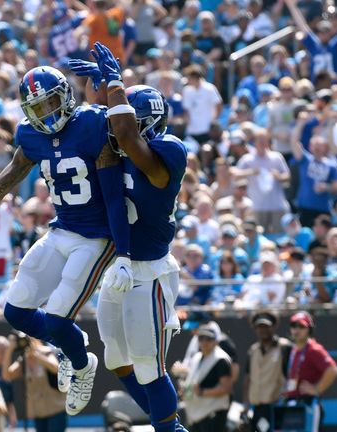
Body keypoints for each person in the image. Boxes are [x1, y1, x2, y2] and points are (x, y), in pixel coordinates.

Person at [0, 65, 133, 415]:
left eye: (50, 104)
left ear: (66, 96)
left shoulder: (93, 124)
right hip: (62, 228)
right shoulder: (30, 137)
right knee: (16, 309)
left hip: (97, 237)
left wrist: (123, 253)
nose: (47, 115)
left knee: (56, 317)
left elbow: (113, 197)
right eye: (37, 109)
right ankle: (70, 346)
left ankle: (82, 366)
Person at [70, 43, 188, 432]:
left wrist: (115, 82)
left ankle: (167, 428)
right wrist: (101, 87)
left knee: (150, 367)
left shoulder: (167, 152)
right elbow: (111, 124)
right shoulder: (119, 149)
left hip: (149, 273)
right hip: (117, 268)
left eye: (129, 122)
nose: (116, 129)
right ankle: (166, 423)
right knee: (116, 360)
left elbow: (125, 130)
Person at [281, 311, 337, 429]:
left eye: (301, 327)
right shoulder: (292, 349)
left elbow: (333, 370)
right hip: (292, 403)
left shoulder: (314, 349)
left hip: (308, 404)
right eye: (294, 326)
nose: (296, 330)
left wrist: (316, 389)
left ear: (309, 330)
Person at [178, 323, 233, 432]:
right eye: (201, 338)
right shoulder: (197, 357)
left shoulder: (221, 359)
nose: (204, 342)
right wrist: (185, 390)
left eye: (208, 339)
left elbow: (226, 388)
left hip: (213, 416)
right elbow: (193, 384)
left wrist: (203, 392)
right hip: (196, 416)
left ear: (216, 341)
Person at [243, 311, 290, 432]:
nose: (262, 330)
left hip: (276, 406)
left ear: (274, 327)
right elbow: (248, 378)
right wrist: (246, 405)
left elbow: (291, 374)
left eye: (266, 326)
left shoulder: (284, 347)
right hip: (257, 407)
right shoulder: (253, 350)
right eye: (259, 327)